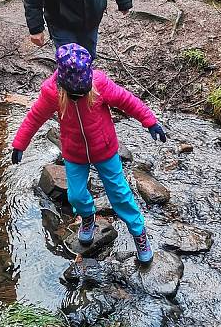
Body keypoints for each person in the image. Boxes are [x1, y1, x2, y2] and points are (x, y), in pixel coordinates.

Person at [10, 43, 167, 263]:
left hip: (105, 150)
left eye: (81, 95)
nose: (77, 98)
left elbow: (127, 101)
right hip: (74, 152)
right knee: (75, 194)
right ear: (63, 87)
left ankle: (139, 234)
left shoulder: (100, 84)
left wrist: (150, 122)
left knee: (120, 194)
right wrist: (20, 144)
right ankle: (88, 217)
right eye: (73, 95)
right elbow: (34, 117)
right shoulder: (52, 92)